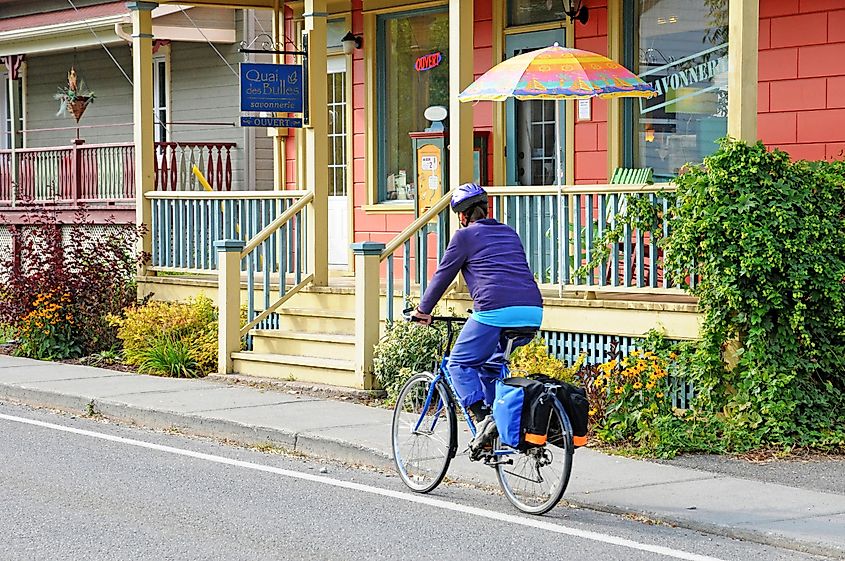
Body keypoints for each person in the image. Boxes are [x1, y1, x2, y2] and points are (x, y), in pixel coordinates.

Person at [411, 183, 543, 459]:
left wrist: (423, 310)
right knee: (491, 367)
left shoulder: (464, 237)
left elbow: (442, 276)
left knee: (459, 363)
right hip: (532, 311)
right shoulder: (509, 232)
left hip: (495, 311)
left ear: (462, 215)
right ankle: (500, 429)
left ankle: (482, 418)